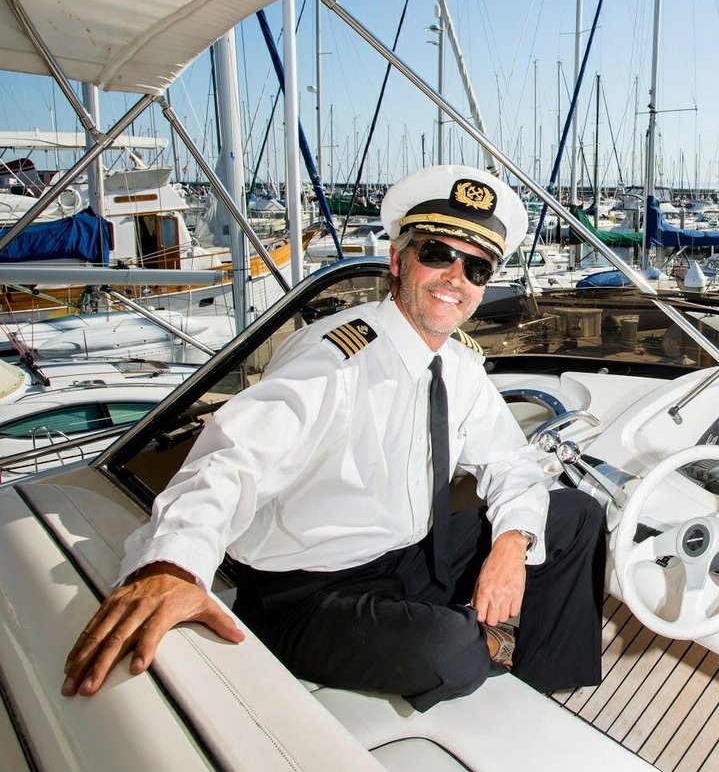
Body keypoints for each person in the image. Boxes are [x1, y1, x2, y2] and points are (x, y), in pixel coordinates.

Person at [62, 165, 605, 710]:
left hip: (411, 558)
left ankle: (541, 684)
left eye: (477, 267)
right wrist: (172, 565)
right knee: (450, 651)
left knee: (575, 514)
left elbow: (510, 463)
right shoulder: (335, 358)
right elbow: (233, 459)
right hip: (308, 592)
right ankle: (478, 642)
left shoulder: (457, 364)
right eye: (437, 254)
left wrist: (510, 545)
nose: (455, 277)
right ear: (398, 261)